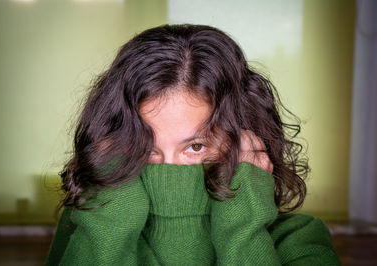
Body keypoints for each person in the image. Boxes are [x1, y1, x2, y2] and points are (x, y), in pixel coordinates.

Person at [45, 24, 341, 265]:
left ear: (248, 141)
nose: (169, 168)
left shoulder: (299, 239)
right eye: (146, 147)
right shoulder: (94, 223)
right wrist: (109, 217)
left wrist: (244, 229)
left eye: (196, 147)